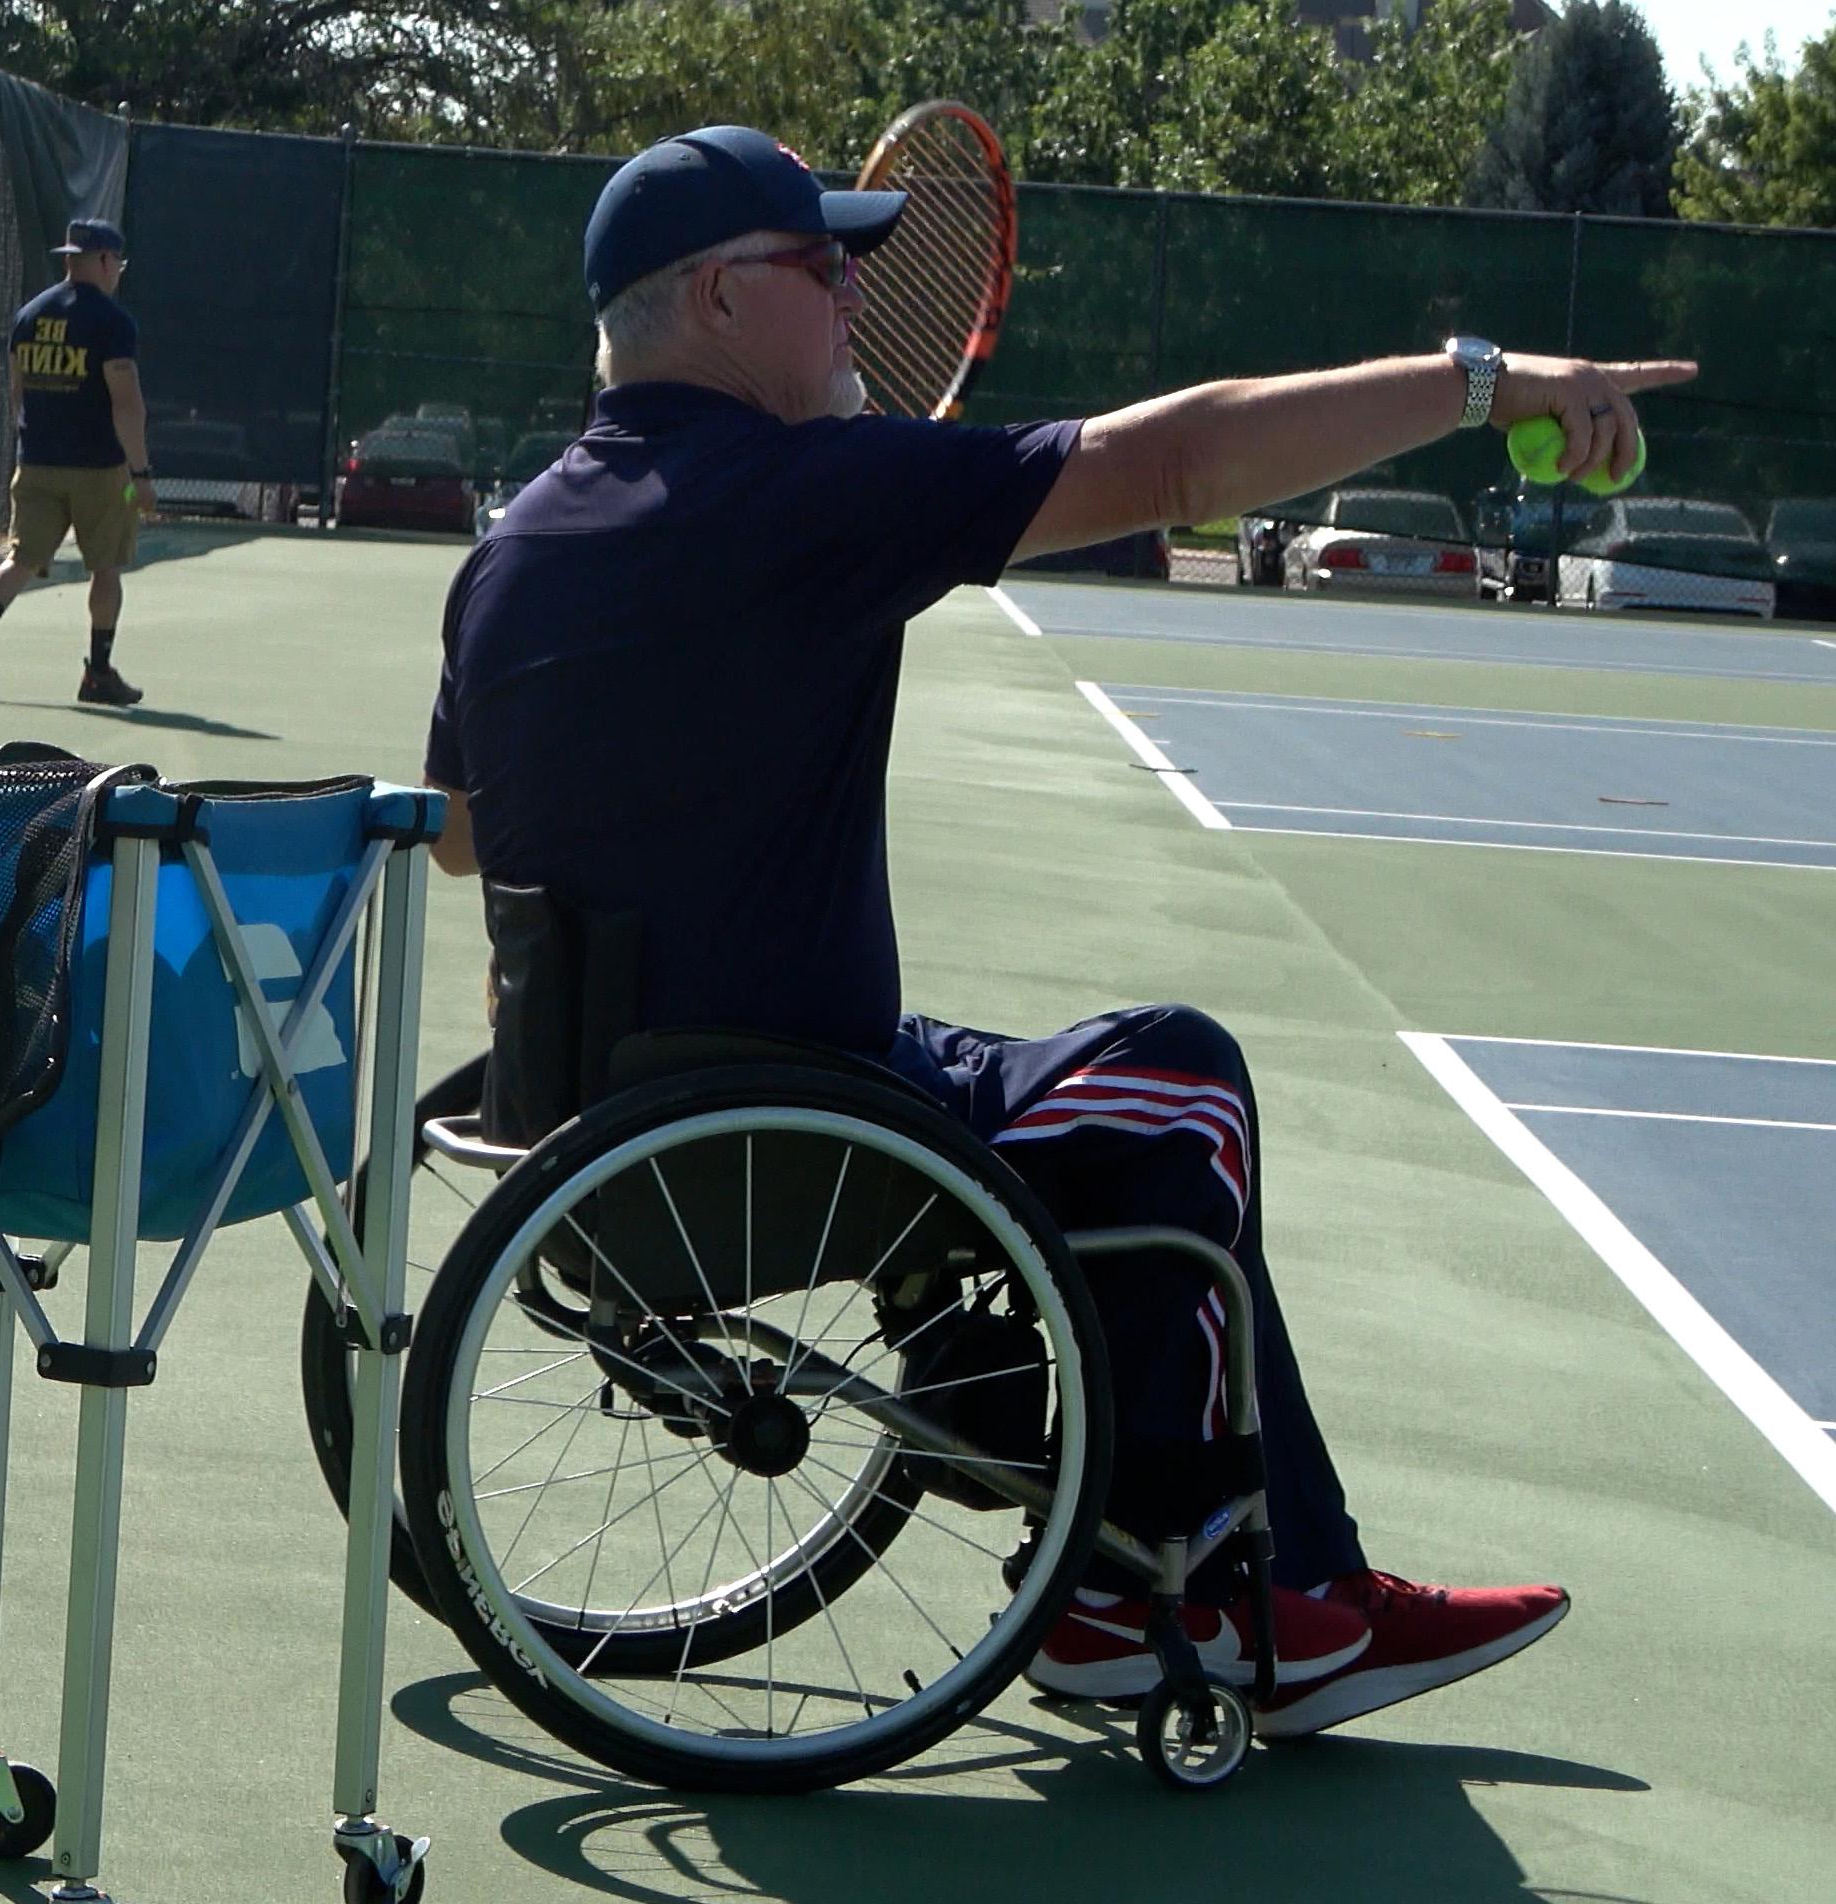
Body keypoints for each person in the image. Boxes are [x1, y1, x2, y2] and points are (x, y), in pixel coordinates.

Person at [423, 125, 1696, 1738]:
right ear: (718, 300)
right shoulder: (796, 496)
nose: (853, 300)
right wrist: (1481, 384)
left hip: (596, 1134)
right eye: (826, 269)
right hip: (790, 1126)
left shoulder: (512, 551)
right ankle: (1194, 1590)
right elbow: (1173, 466)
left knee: (1076, 1088)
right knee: (1184, 1087)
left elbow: (467, 837)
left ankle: (1180, 1554)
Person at [0, 218, 153, 707]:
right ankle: (98, 674)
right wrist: (140, 474)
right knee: (106, 567)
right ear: (104, 260)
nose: (117, 274)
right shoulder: (112, 322)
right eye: (117, 265)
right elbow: (125, 402)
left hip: (36, 462)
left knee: (21, 558)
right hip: (100, 470)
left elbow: (17, 392)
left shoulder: (29, 315)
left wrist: (34, 439)